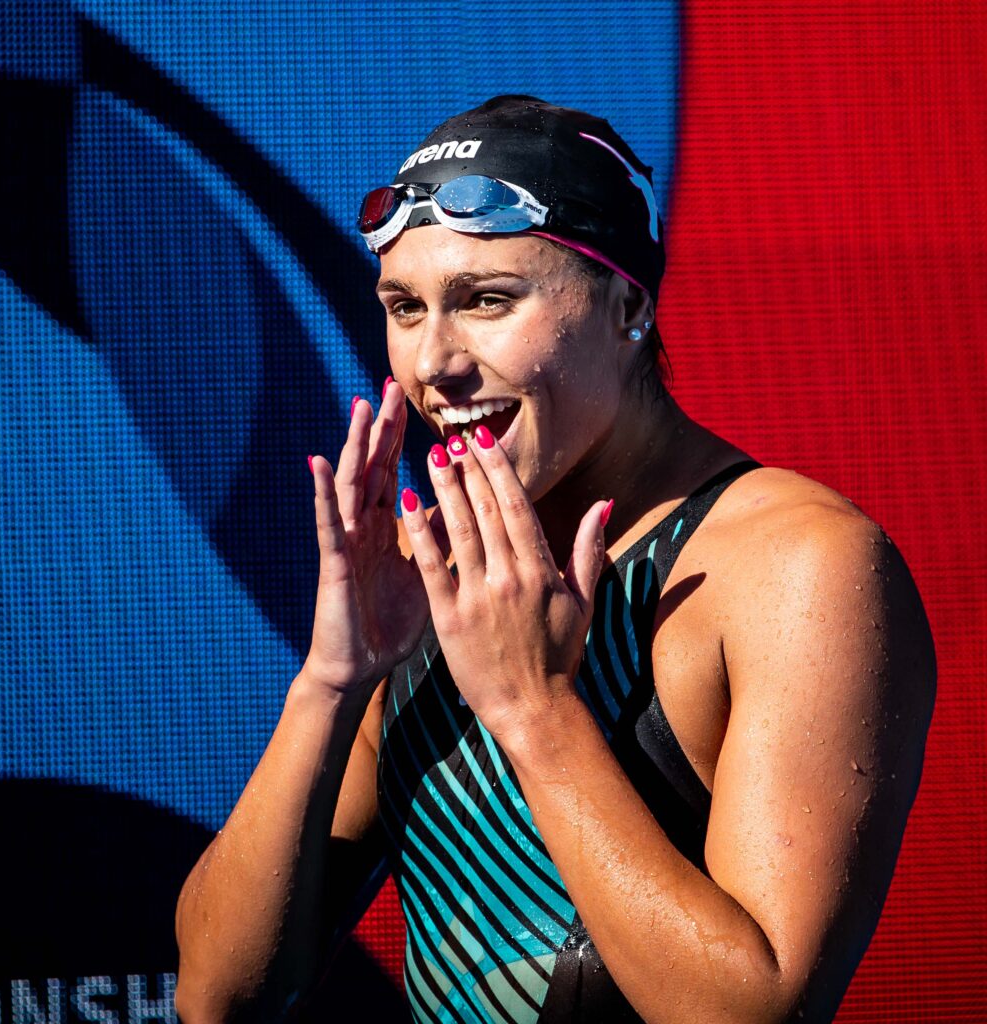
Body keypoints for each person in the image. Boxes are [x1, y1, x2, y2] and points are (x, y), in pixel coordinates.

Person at [171, 95, 936, 1024]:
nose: (434, 363)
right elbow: (220, 997)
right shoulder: (433, 572)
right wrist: (333, 682)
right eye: (405, 308)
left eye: (487, 300)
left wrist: (533, 707)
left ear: (629, 305)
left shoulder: (798, 569)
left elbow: (752, 1011)